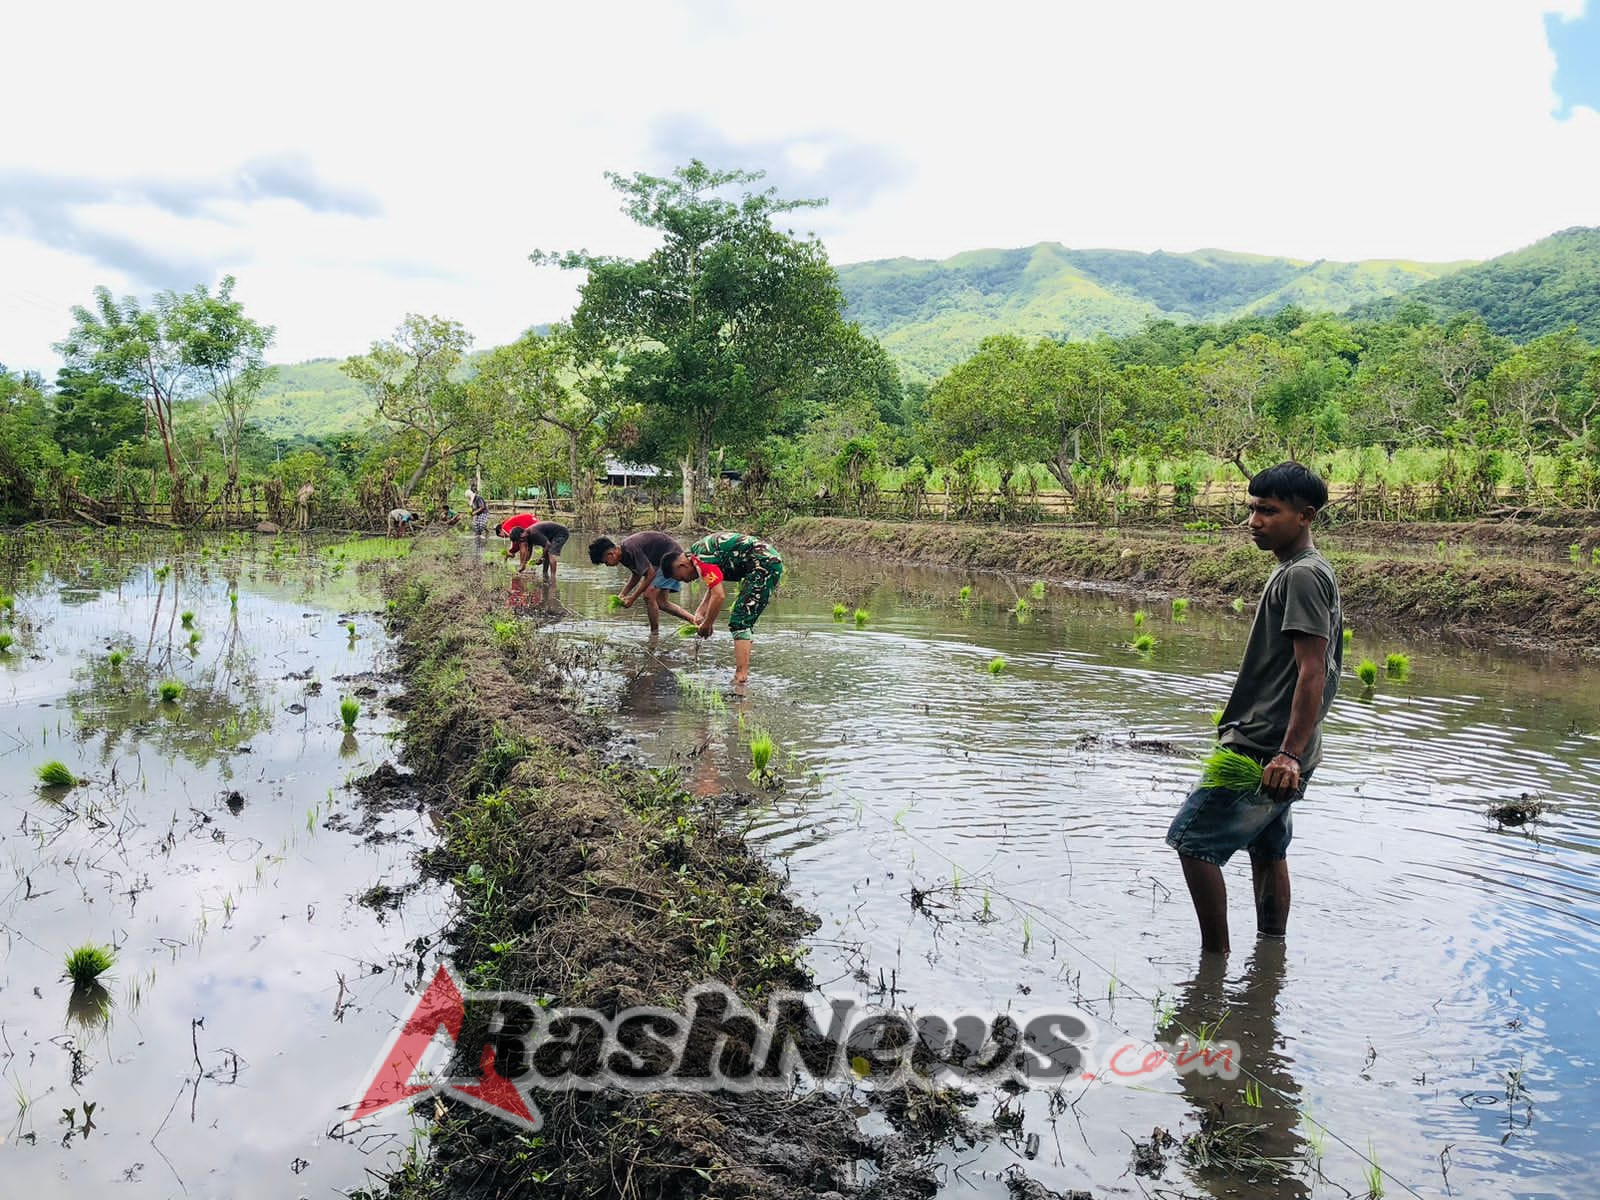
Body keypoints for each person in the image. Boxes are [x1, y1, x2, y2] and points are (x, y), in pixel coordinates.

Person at [1166, 462, 1342, 955]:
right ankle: (1270, 957)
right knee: (1267, 849)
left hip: (1266, 746)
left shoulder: (1303, 577)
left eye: (1269, 511)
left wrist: (1286, 754)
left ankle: (1213, 964)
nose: (1255, 521)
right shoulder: (1304, 571)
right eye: (1252, 509)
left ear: (1305, 516)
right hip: (1286, 744)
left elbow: (1314, 670)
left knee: (1192, 841)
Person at [660, 532, 784, 690]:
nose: (686, 581)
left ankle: (741, 678)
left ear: (682, 566)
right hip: (762, 560)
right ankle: (742, 674)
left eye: (681, 578)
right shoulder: (697, 552)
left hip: (763, 564)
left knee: (740, 621)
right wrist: (701, 611)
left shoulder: (701, 560)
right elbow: (714, 585)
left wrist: (707, 624)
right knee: (742, 619)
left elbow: (719, 596)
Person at [589, 532, 699, 634]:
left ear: (611, 554)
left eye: (605, 562)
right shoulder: (624, 556)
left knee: (648, 596)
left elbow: (650, 574)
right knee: (661, 603)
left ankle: (654, 634)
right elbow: (637, 574)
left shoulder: (629, 548)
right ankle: (695, 621)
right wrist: (622, 594)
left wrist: (632, 598)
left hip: (672, 560)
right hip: (660, 562)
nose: (607, 565)